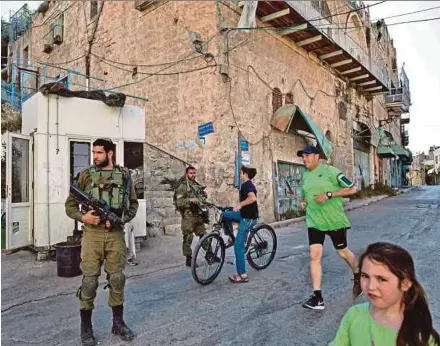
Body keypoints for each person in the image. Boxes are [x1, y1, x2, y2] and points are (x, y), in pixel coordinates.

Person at [65, 138, 138, 346]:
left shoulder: (124, 175)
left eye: (99, 153)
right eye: (93, 152)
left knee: (117, 279)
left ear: (110, 154)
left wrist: (120, 219)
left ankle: (118, 323)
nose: (95, 156)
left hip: (115, 235)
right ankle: (86, 329)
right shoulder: (85, 175)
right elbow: (70, 206)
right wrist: (84, 218)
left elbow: (133, 204)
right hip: (92, 235)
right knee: (89, 281)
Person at [329, 242, 440, 346]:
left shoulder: (420, 336)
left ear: (404, 284)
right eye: (365, 276)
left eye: (381, 279)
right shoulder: (354, 315)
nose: (370, 286)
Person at [298, 145, 360, 310]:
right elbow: (307, 194)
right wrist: (304, 202)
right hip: (314, 221)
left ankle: (358, 272)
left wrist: (330, 194)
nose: (305, 159)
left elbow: (352, 188)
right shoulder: (305, 175)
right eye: (303, 156)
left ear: (317, 156)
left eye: (308, 156)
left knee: (342, 252)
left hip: (334, 220)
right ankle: (317, 297)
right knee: (314, 256)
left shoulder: (331, 171)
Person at [222, 165, 259, 283]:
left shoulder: (247, 185)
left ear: (245, 174)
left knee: (238, 246)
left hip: (248, 219)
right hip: (243, 215)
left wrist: (240, 205)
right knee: (225, 215)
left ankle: (242, 275)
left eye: (241, 172)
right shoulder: (246, 185)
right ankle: (230, 237)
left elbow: (253, 198)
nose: (239, 174)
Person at [175, 166, 213, 267]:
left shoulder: (196, 185)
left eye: (194, 173)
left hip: (198, 215)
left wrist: (204, 195)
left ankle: (209, 255)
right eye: (191, 173)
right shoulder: (182, 186)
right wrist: (190, 200)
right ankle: (189, 259)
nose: (193, 175)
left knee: (204, 236)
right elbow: (179, 202)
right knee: (188, 238)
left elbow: (201, 199)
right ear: (186, 174)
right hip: (188, 217)